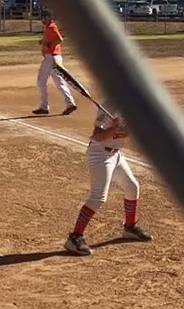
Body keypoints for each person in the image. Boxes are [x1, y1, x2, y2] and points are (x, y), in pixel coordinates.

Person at [63, 99, 153, 256]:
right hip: (100, 155)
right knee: (99, 197)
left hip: (116, 155)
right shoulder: (109, 106)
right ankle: (75, 238)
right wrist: (112, 131)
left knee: (132, 187)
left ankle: (130, 227)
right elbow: (97, 136)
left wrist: (122, 130)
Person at [35, 10, 77, 116]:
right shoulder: (49, 28)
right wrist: (43, 42)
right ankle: (70, 103)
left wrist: (49, 46)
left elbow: (59, 39)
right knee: (59, 82)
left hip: (51, 58)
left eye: (44, 17)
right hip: (55, 58)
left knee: (41, 81)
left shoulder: (52, 27)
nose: (42, 19)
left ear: (49, 17)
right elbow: (51, 40)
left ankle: (44, 107)